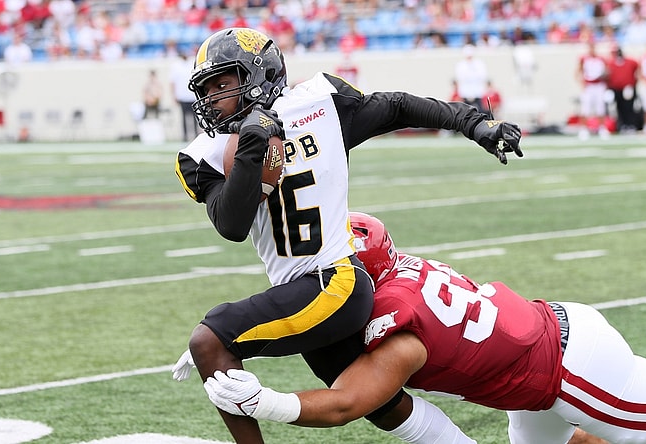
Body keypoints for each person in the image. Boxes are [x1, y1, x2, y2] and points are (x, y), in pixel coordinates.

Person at [172, 27, 523, 444]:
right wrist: (254, 143)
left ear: (258, 76)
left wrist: (473, 123)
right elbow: (230, 224)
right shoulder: (202, 156)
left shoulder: (319, 104)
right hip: (302, 290)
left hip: (334, 280)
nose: (212, 99)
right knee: (382, 405)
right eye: (206, 88)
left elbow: (397, 107)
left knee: (209, 340)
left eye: (223, 83)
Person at [203, 211, 646, 444]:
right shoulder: (397, 271)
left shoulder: (399, 331)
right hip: (553, 345)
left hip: (571, 372)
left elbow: (348, 403)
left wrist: (266, 402)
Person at [576, 40, 610, 140]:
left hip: (599, 85)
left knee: (600, 108)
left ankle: (602, 128)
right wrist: (582, 83)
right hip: (589, 86)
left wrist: (604, 76)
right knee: (585, 108)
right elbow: (578, 72)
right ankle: (584, 129)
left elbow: (607, 72)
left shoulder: (601, 59)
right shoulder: (583, 59)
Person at [606, 45, 639, 134]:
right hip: (616, 89)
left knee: (629, 107)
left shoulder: (630, 62)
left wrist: (633, 84)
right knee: (618, 108)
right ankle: (622, 125)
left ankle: (631, 124)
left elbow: (637, 71)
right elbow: (608, 75)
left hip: (627, 88)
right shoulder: (611, 63)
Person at [170, 49, 198, 141]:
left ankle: (195, 135)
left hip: (192, 96)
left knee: (194, 118)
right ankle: (185, 136)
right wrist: (174, 96)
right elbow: (173, 82)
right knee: (184, 117)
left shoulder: (192, 63)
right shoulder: (176, 65)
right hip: (182, 96)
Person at [454, 43, 488, 114]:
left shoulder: (479, 64)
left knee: (481, 110)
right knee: (465, 111)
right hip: (465, 92)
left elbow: (482, 76)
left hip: (477, 92)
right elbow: (460, 77)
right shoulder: (461, 65)